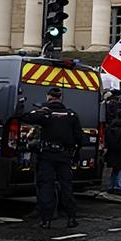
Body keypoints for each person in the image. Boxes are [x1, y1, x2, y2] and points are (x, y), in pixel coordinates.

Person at [23, 87, 82, 228]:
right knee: (66, 186)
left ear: (48, 97)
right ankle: (71, 217)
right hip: (64, 155)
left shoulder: (45, 113)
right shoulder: (71, 114)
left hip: (47, 155)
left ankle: (46, 220)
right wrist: (75, 153)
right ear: (60, 98)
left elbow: (25, 118)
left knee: (46, 187)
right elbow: (79, 137)